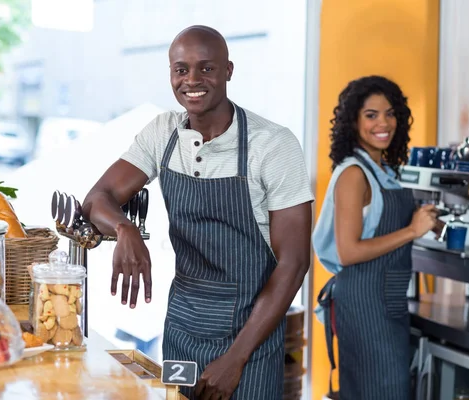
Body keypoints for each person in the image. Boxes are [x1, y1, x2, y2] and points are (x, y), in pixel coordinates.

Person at [82, 25, 314, 400]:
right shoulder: (163, 133)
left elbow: (294, 263)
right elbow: (97, 198)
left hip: (249, 344)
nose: (192, 80)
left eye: (206, 68)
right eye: (180, 69)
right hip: (182, 333)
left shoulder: (272, 145)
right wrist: (124, 229)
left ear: (228, 71)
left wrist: (235, 358)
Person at [313, 76, 437, 399]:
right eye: (371, 115)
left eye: (391, 113)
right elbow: (348, 251)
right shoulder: (354, 174)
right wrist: (411, 230)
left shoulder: (386, 171)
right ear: (353, 122)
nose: (384, 123)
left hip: (389, 303)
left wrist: (425, 223)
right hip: (364, 306)